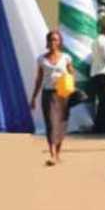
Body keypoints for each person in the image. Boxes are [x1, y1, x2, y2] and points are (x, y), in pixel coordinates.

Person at [30, 31, 74, 166]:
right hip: (48, 94)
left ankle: (58, 154)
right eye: (51, 40)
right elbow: (39, 79)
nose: (53, 43)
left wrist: (69, 82)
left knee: (61, 124)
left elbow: (72, 73)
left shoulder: (66, 57)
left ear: (60, 42)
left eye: (56, 40)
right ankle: (52, 155)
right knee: (50, 123)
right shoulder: (41, 59)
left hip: (63, 94)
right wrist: (33, 97)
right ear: (47, 42)